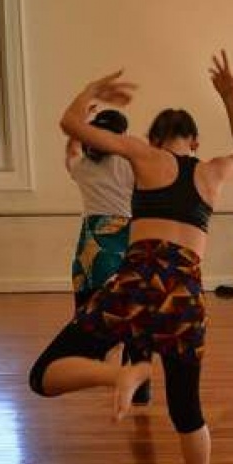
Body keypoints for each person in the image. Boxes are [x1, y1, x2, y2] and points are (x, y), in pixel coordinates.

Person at [28, 50, 233, 464]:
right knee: (187, 410)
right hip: (183, 295)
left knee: (44, 374)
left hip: (134, 282)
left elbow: (70, 124)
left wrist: (93, 89)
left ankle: (120, 373)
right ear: (193, 140)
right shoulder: (211, 172)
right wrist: (230, 97)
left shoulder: (141, 153)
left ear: (154, 138)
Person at [65, 108, 152, 406]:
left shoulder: (84, 166)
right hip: (125, 241)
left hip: (91, 246)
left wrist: (79, 128)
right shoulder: (130, 164)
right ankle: (140, 386)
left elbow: (71, 152)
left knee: (96, 313)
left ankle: (106, 371)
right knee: (135, 312)